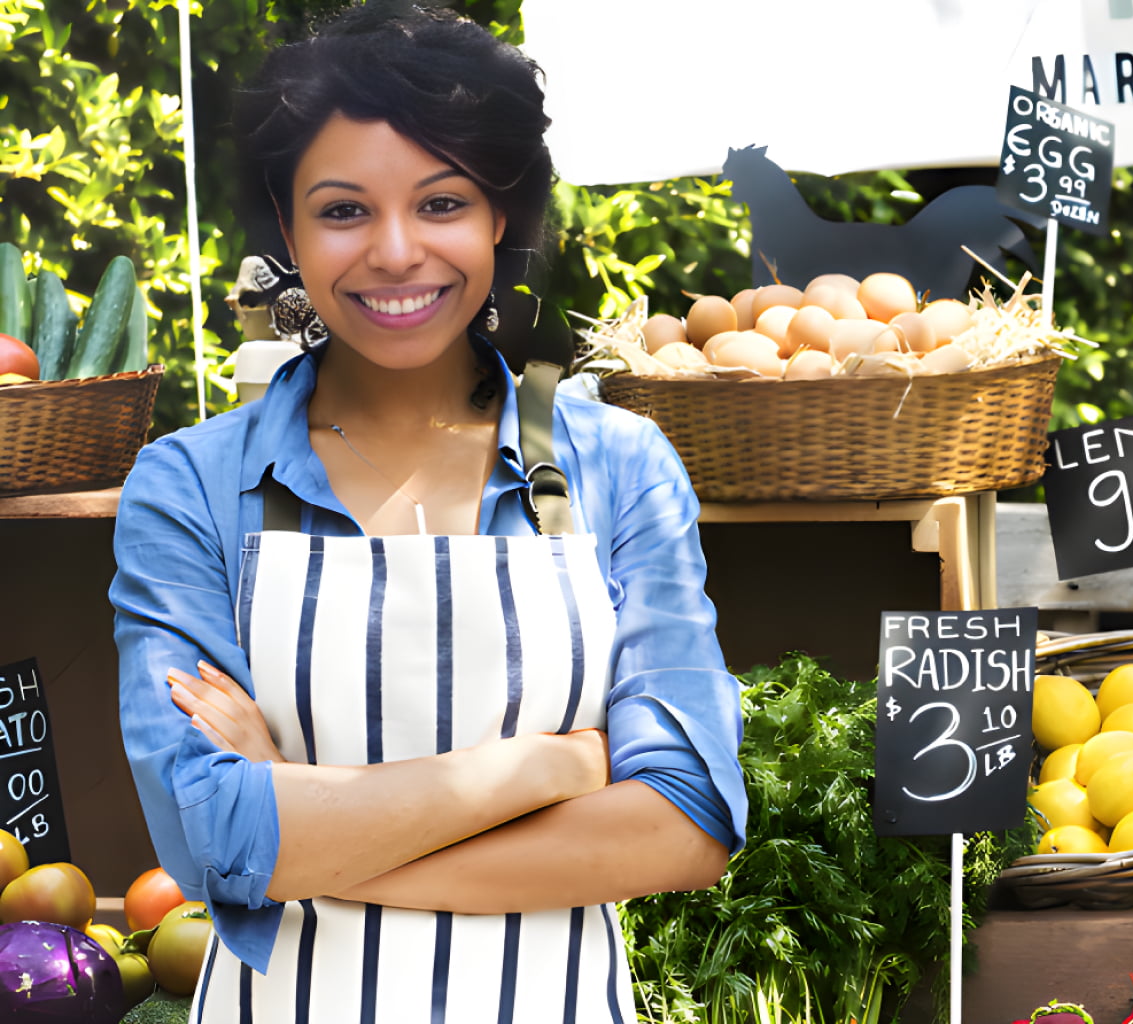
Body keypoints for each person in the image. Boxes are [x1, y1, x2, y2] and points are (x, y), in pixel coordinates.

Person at [109, 4, 747, 1021]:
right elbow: (206, 835)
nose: (398, 252)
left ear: (502, 213)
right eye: (345, 209)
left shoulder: (619, 467)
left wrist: (303, 828)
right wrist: (551, 763)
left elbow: (686, 823)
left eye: (442, 202)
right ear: (288, 225)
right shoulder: (190, 486)